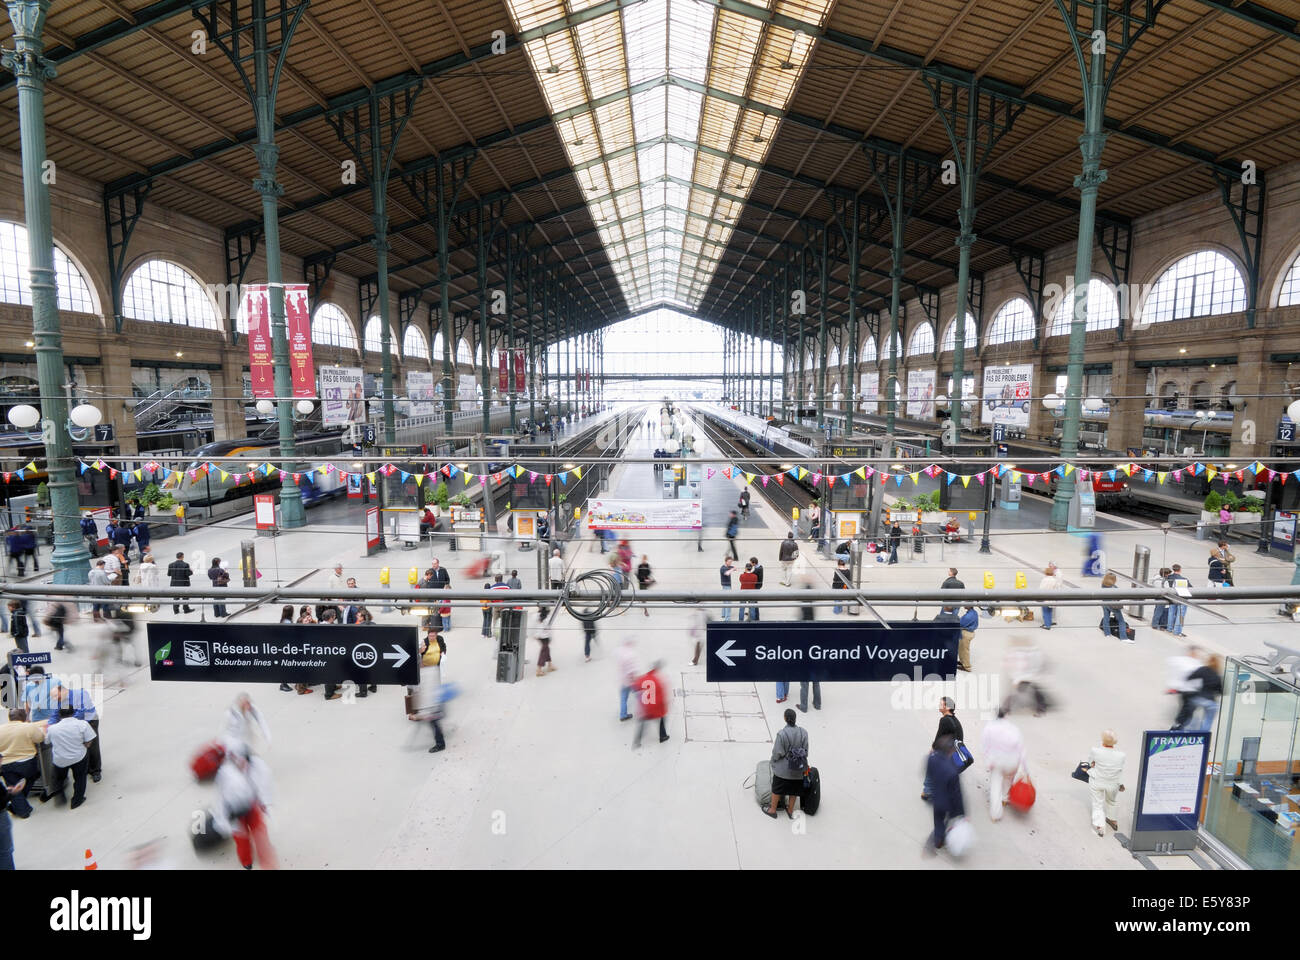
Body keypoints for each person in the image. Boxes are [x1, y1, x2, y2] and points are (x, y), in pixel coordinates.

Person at [212, 743, 277, 869]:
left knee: (260, 834)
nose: (241, 762)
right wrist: (223, 819)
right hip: (235, 812)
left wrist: (264, 802)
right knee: (242, 840)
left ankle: (265, 861)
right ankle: (247, 863)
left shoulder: (255, 767)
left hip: (251, 807)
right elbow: (220, 798)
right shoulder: (224, 774)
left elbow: (262, 785)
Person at [980, 708, 1027, 822]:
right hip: (1012, 761)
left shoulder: (989, 728)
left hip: (997, 761)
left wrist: (988, 761)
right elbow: (1021, 748)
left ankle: (996, 814)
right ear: (1006, 716)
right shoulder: (1013, 729)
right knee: (1008, 779)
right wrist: (1023, 766)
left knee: (995, 785)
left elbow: (985, 747)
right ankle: (1005, 798)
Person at [46, 705, 96, 809]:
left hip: (60, 759)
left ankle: (59, 795)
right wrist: (84, 745)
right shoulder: (82, 724)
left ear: (59, 715)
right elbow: (89, 740)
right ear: (73, 712)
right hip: (79, 757)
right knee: (80, 778)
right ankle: (77, 801)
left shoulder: (52, 729)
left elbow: (47, 741)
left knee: (58, 778)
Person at [0, 708, 46, 819]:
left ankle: (16, 805)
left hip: (7, 765)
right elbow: (40, 738)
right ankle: (23, 811)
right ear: (23, 717)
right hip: (28, 763)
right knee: (33, 776)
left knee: (14, 786)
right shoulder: (28, 727)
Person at [765, 708, 809, 819]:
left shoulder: (782, 734)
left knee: (776, 788)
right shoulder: (803, 732)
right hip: (798, 770)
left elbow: (777, 753)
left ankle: (773, 810)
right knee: (794, 790)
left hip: (783, 772)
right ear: (795, 719)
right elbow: (806, 751)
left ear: (785, 718)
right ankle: (790, 810)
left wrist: (773, 760)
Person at [924, 735, 965, 853]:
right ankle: (944, 837)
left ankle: (938, 840)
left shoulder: (931, 759)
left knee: (937, 820)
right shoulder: (952, 771)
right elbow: (957, 794)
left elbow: (928, 774)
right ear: (950, 751)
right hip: (948, 803)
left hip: (936, 798)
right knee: (947, 820)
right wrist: (962, 813)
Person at [922, 696, 963, 801]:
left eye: (941, 704)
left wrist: (933, 749)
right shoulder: (955, 720)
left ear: (947, 707)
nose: (939, 706)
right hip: (955, 753)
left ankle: (927, 791)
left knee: (932, 762)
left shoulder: (944, 720)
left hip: (947, 753)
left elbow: (938, 736)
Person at [1086, 729, 1126, 837]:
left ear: (1102, 740)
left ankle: (1100, 827)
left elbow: (1090, 763)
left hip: (1097, 781)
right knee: (1112, 801)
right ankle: (1112, 820)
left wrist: (1094, 764)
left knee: (1097, 803)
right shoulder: (1121, 755)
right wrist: (1121, 784)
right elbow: (1120, 770)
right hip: (1113, 783)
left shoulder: (1095, 751)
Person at [631, 660, 670, 748]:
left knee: (642, 722)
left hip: (646, 708)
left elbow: (635, 687)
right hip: (656, 707)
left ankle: (637, 741)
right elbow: (661, 696)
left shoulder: (643, 678)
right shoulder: (659, 680)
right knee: (662, 720)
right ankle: (663, 736)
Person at [1099, 571, 1133, 641]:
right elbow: (1118, 597)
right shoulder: (1114, 587)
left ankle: (1107, 633)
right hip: (1113, 605)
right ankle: (1123, 637)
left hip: (1104, 604)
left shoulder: (1103, 585)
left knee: (1106, 618)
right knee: (1121, 620)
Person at [617, 637, 640, 721]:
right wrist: (634, 680)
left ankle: (623, 715)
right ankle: (645, 711)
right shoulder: (629, 655)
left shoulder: (620, 653)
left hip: (623, 680)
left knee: (623, 698)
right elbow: (631, 671)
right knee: (639, 695)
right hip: (630, 681)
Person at [1166, 564, 1190, 637]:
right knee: (1181, 615)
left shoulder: (1169, 577)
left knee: (1171, 613)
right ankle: (1177, 631)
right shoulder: (1184, 579)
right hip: (1182, 598)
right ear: (1180, 570)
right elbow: (1191, 588)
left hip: (1172, 597)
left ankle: (1169, 628)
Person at [1039, 562, 1063, 629]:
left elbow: (1041, 589)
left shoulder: (1044, 580)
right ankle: (1049, 622)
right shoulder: (1054, 580)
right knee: (1050, 611)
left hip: (1046, 598)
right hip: (1052, 598)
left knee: (1045, 612)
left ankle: (1047, 625)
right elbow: (1057, 587)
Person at [533, 606, 555, 677]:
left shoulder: (537, 616)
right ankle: (539, 669)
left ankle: (550, 665)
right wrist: (551, 637)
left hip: (540, 636)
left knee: (546, 649)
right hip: (545, 637)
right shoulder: (547, 618)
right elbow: (548, 629)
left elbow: (535, 626)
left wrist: (536, 635)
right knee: (544, 651)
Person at [957, 605, 979, 672]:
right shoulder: (973, 612)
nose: (964, 605)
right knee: (961, 648)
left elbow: (961, 624)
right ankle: (962, 661)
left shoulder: (969, 616)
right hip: (968, 632)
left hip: (966, 633)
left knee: (965, 650)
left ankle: (967, 666)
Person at [719, 556, 736, 622]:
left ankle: (723, 614)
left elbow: (733, 568)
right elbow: (727, 573)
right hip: (726, 586)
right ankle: (727, 619)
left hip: (727, 586)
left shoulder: (728, 567)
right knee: (728, 602)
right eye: (729, 562)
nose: (730, 563)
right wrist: (732, 569)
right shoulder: (723, 568)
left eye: (731, 562)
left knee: (725, 601)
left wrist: (733, 568)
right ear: (725, 561)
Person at [749, 556, 765, 622]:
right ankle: (751, 612)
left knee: (754, 601)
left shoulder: (757, 570)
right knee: (753, 600)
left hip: (756, 586)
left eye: (751, 563)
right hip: (759, 585)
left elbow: (751, 575)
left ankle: (756, 617)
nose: (750, 564)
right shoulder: (760, 567)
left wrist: (747, 572)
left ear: (754, 563)